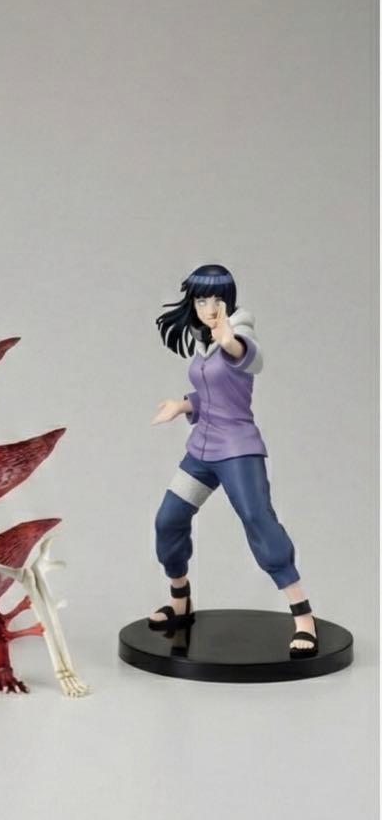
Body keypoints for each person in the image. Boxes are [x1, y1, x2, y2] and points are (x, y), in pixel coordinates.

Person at [148, 264, 317, 657]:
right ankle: (179, 601)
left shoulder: (237, 335)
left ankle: (303, 617)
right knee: (168, 520)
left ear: (229, 301)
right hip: (201, 451)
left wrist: (231, 341)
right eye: (201, 299)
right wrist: (183, 405)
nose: (209, 307)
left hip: (237, 451)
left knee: (259, 521)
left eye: (216, 299)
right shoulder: (203, 342)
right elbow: (212, 395)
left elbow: (250, 359)